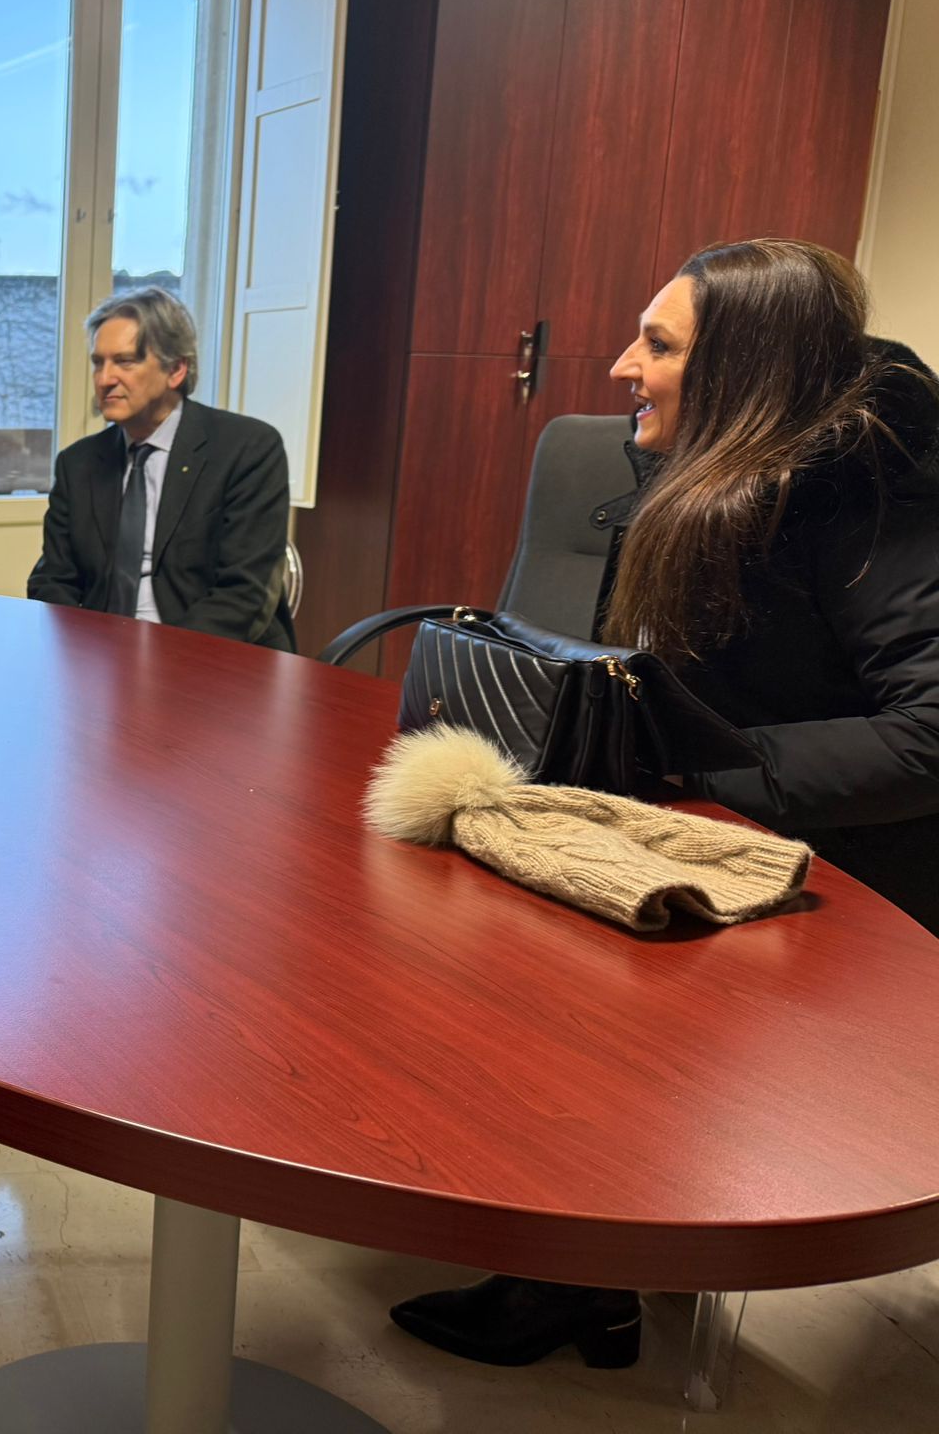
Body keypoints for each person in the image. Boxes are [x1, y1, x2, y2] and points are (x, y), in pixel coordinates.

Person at [389, 238, 939, 1371]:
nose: (618, 368)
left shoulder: (871, 495)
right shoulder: (715, 472)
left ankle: (574, 1274)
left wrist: (695, 777)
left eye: (658, 345)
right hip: (737, 825)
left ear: (741, 370)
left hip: (858, 883)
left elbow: (925, 737)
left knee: (569, 973)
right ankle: (579, 1268)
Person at [27, 286, 295, 650]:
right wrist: (85, 651)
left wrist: (158, 660)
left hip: (212, 657)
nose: (105, 379)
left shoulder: (248, 450)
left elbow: (243, 595)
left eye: (125, 361)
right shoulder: (78, 464)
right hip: (101, 656)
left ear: (176, 369)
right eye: (98, 363)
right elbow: (52, 581)